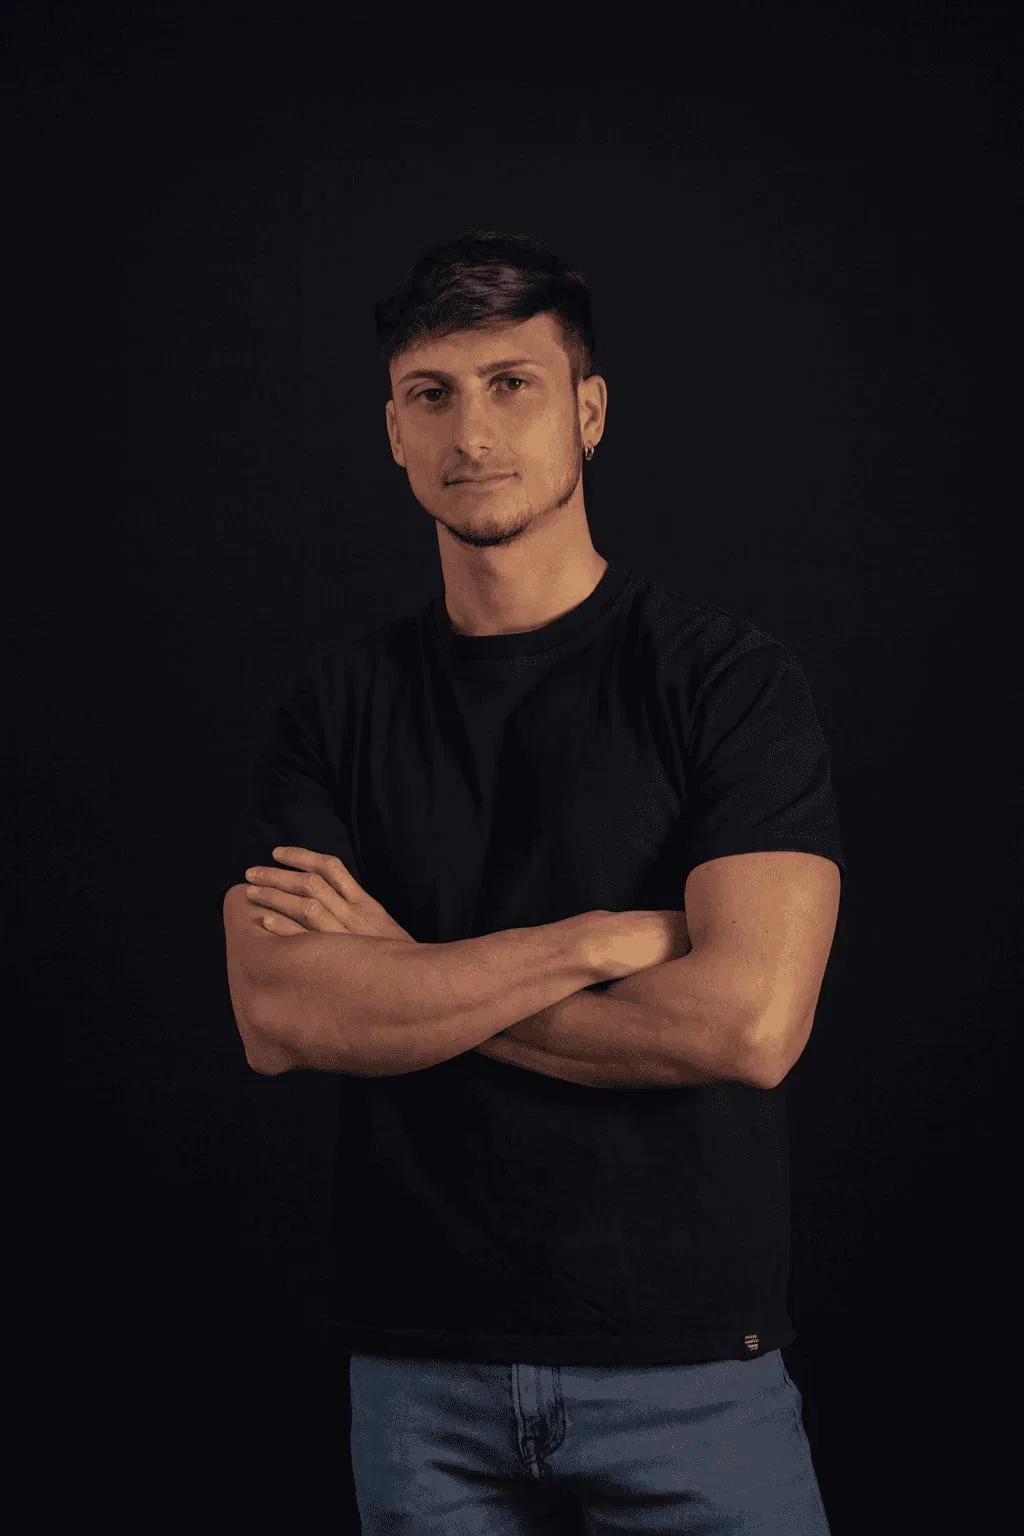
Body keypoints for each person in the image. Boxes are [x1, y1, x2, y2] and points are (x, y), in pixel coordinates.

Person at [219, 229, 844, 1533]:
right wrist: (596, 940)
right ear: (392, 431)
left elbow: (749, 1023)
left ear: (589, 412)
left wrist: (401, 973)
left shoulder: (723, 683)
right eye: (431, 394)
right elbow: (283, 1018)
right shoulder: (333, 709)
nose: (473, 431)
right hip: (415, 1378)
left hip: (691, 1376)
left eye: (513, 384)